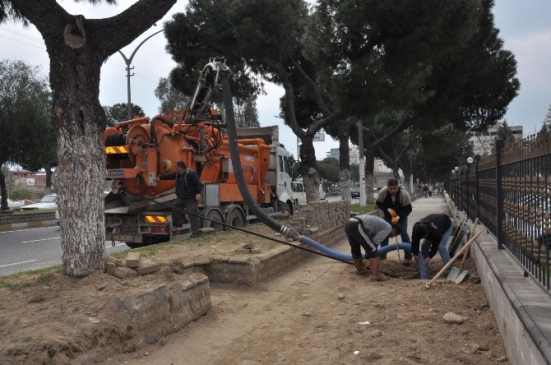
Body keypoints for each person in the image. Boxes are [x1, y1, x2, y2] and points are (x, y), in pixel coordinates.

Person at [345, 214, 401, 281]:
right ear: (394, 230)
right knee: (373, 250)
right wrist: (369, 257)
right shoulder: (388, 228)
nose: (392, 237)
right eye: (395, 235)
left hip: (349, 223)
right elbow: (374, 243)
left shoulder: (381, 226)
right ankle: (376, 276)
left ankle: (360, 271)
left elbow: (368, 240)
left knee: (355, 249)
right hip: (356, 224)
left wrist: (367, 256)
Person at [157, 161, 203, 237]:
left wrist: (198, 193)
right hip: (182, 198)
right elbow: (170, 176)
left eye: (176, 167)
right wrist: (160, 178)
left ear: (180, 167)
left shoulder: (191, 173)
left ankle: (195, 233)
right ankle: (178, 223)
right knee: (175, 206)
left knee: (193, 214)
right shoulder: (178, 174)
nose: (174, 168)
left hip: (190, 199)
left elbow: (198, 183)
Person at [376, 178, 413, 262]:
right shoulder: (383, 192)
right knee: (385, 234)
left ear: (397, 187)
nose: (393, 190)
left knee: (404, 234)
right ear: (387, 187)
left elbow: (408, 209)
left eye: (395, 188)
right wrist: (388, 209)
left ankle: (408, 256)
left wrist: (399, 216)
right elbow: (379, 203)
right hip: (387, 217)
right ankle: (382, 255)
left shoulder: (404, 194)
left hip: (401, 218)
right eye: (390, 188)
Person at [411, 214, 454, 279]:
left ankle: (449, 270)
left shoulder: (436, 232)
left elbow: (435, 246)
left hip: (446, 225)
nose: (423, 238)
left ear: (426, 232)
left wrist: (429, 256)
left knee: (441, 246)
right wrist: (415, 253)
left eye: (424, 237)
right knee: (424, 246)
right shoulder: (416, 228)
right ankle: (423, 268)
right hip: (434, 224)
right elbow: (415, 241)